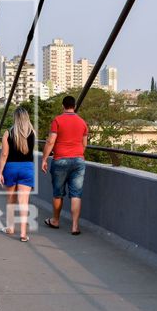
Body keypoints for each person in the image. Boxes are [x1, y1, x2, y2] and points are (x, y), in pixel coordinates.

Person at [41, 95, 88, 235]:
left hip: (60, 160)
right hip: (78, 160)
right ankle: (75, 226)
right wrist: (77, 154)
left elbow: (51, 141)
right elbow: (84, 144)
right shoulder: (82, 122)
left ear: (63, 106)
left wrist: (44, 159)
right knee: (76, 194)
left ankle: (55, 220)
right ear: (74, 106)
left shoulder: (57, 120)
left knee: (58, 193)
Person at [0, 106, 35, 242]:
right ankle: (23, 233)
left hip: (11, 168)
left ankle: (10, 227)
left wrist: (0, 171)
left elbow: (4, 154)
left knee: (11, 200)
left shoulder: (8, 133)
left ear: (15, 118)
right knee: (23, 202)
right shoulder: (32, 133)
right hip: (27, 168)